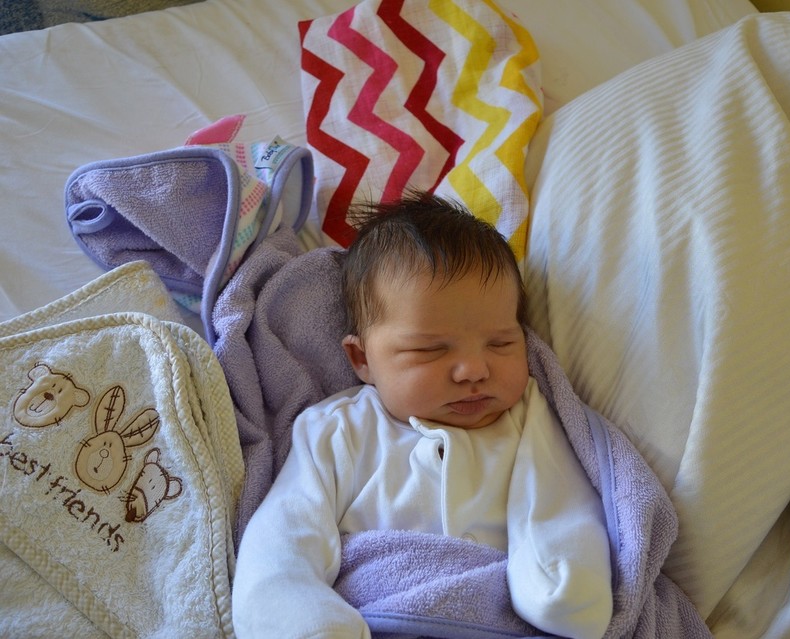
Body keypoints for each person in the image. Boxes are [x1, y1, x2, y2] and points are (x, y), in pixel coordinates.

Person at [232, 192, 613, 639]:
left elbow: (559, 502)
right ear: (362, 360)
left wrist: (567, 588)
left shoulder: (527, 416)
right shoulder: (339, 430)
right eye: (430, 350)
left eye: (501, 343)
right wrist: (300, 613)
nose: (474, 370)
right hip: (375, 613)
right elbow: (284, 535)